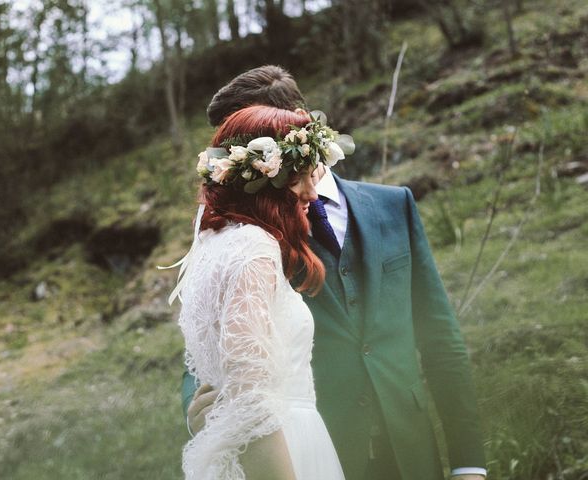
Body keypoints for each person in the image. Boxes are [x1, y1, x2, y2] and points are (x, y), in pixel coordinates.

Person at [181, 66, 487, 480]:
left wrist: (469, 462)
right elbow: (211, 342)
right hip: (306, 453)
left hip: (411, 453)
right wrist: (203, 414)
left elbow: (439, 336)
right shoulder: (240, 239)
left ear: (300, 130)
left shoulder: (393, 205)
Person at [170, 104, 352, 479]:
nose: (311, 193)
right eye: (299, 177)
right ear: (263, 179)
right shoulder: (254, 249)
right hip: (283, 450)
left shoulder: (217, 244)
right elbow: (250, 402)